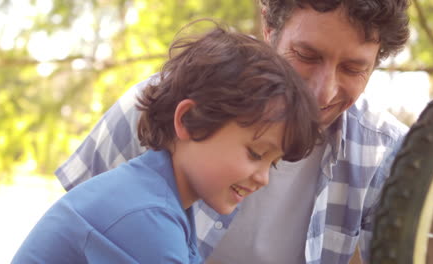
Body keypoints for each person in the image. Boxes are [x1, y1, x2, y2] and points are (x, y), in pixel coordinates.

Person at [55, 0, 411, 263]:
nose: (323, 92)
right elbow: (72, 231)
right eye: (306, 55)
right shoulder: (159, 101)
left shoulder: (388, 155)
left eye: (352, 69)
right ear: (270, 28)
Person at [12, 23, 321, 263]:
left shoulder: (163, 204)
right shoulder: (144, 218)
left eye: (273, 162)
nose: (263, 178)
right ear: (187, 120)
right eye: (256, 153)